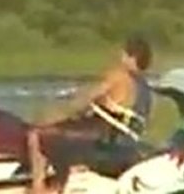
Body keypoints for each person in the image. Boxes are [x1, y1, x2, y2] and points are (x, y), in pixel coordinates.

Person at [27, 34, 153, 194]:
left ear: (131, 56)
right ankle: (62, 182)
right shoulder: (145, 87)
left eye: (123, 53)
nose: (120, 57)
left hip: (107, 150)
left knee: (38, 134)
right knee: (71, 135)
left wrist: (51, 117)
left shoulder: (119, 76)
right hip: (130, 150)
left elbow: (82, 102)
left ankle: (40, 188)